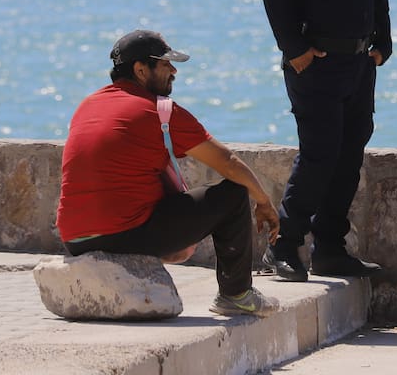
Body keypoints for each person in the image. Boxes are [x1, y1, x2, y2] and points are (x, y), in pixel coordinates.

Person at [56, 29, 281, 317]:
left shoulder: (87, 106)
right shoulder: (159, 111)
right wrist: (263, 201)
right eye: (165, 64)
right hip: (125, 234)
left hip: (75, 241)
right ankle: (236, 295)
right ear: (140, 70)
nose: (174, 70)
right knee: (235, 192)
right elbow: (229, 162)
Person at [260, 0, 392, 280]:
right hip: (314, 63)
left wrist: (382, 43)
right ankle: (283, 244)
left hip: (358, 64)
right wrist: (294, 50)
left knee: (349, 153)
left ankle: (331, 248)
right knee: (319, 153)